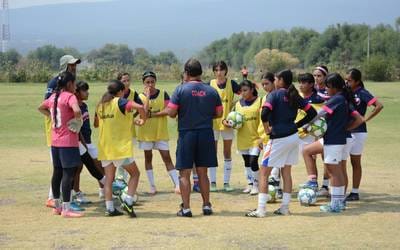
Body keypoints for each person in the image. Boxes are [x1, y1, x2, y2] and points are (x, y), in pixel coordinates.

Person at [246, 69, 317, 217]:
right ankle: (285, 208)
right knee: (286, 172)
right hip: (293, 136)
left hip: (278, 137)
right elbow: (312, 113)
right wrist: (297, 125)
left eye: (277, 79)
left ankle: (261, 210)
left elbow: (264, 113)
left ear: (281, 80)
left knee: (264, 173)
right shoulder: (294, 95)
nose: (275, 81)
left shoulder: (274, 95)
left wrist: (267, 131)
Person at [166, 58, 223, 217]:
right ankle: (206, 206)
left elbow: (171, 112)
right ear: (201, 73)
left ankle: (186, 208)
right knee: (203, 173)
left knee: (184, 173)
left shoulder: (180, 90)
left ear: (186, 72)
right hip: (206, 133)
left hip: (187, 133)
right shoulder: (212, 90)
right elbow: (219, 113)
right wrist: (204, 115)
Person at [306, 73, 363, 213]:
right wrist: (346, 128)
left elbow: (319, 114)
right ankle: (340, 202)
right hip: (338, 139)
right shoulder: (343, 98)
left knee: (334, 172)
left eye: (328, 86)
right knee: (337, 171)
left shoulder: (336, 99)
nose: (326, 89)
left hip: (333, 140)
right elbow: (359, 119)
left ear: (334, 87)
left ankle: (336, 204)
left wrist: (306, 125)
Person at [94, 80, 146, 217]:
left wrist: (130, 120)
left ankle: (110, 208)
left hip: (105, 148)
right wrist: (143, 120)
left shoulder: (100, 105)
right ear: (121, 92)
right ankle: (128, 201)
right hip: (119, 148)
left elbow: (96, 123)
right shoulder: (120, 101)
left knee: (109, 180)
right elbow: (140, 107)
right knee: (135, 174)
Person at [38, 71, 84, 218]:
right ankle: (66, 209)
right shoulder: (70, 96)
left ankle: (57, 207)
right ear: (70, 84)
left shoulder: (53, 97)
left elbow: (40, 107)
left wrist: (52, 117)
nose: (76, 86)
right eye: (75, 83)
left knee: (57, 172)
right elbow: (77, 110)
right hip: (68, 142)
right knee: (68, 174)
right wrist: (77, 121)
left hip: (55, 141)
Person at [44, 55, 81, 209]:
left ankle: (62, 199)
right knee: (65, 170)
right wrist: (73, 120)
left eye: (75, 65)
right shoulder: (56, 83)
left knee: (60, 169)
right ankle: (56, 199)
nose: (74, 67)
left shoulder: (67, 84)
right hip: (62, 131)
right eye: (72, 64)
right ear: (65, 66)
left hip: (60, 134)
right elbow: (49, 104)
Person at [137, 71, 180, 195]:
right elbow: (143, 114)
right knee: (148, 157)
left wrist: (154, 114)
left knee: (167, 158)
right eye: (147, 82)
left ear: (155, 82)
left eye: (152, 82)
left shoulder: (163, 94)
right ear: (143, 83)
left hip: (160, 132)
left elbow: (169, 110)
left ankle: (177, 184)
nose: (150, 84)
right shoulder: (140, 97)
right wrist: (148, 97)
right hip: (146, 133)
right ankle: (152, 186)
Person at [345, 68, 383, 201]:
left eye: (349, 80)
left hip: (358, 132)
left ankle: (354, 192)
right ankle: (339, 192)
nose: (346, 82)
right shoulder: (346, 92)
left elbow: (379, 106)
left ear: (357, 81)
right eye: (346, 79)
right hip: (346, 132)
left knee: (355, 163)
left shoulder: (362, 93)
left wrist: (366, 119)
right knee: (341, 162)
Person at [208, 61, 241, 192]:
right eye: (216, 70)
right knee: (212, 153)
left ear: (225, 71)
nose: (219, 72)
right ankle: (213, 182)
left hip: (228, 123)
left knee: (227, 152)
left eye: (221, 70)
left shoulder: (231, 84)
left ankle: (226, 183)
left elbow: (246, 94)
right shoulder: (210, 85)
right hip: (214, 123)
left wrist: (235, 107)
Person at [73, 81, 106, 202]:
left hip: (88, 141)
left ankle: (103, 191)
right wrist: (83, 144)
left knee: (99, 164)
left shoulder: (84, 106)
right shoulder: (75, 106)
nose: (87, 93)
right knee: (78, 168)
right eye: (84, 90)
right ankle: (77, 193)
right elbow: (77, 128)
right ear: (77, 92)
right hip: (81, 143)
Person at [229, 80, 262, 195]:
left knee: (253, 161)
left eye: (245, 90)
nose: (242, 93)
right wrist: (227, 123)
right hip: (242, 138)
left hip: (256, 139)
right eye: (241, 91)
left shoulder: (259, 101)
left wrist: (263, 137)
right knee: (247, 163)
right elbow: (229, 118)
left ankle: (257, 185)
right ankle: (250, 184)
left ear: (252, 89)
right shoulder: (238, 104)